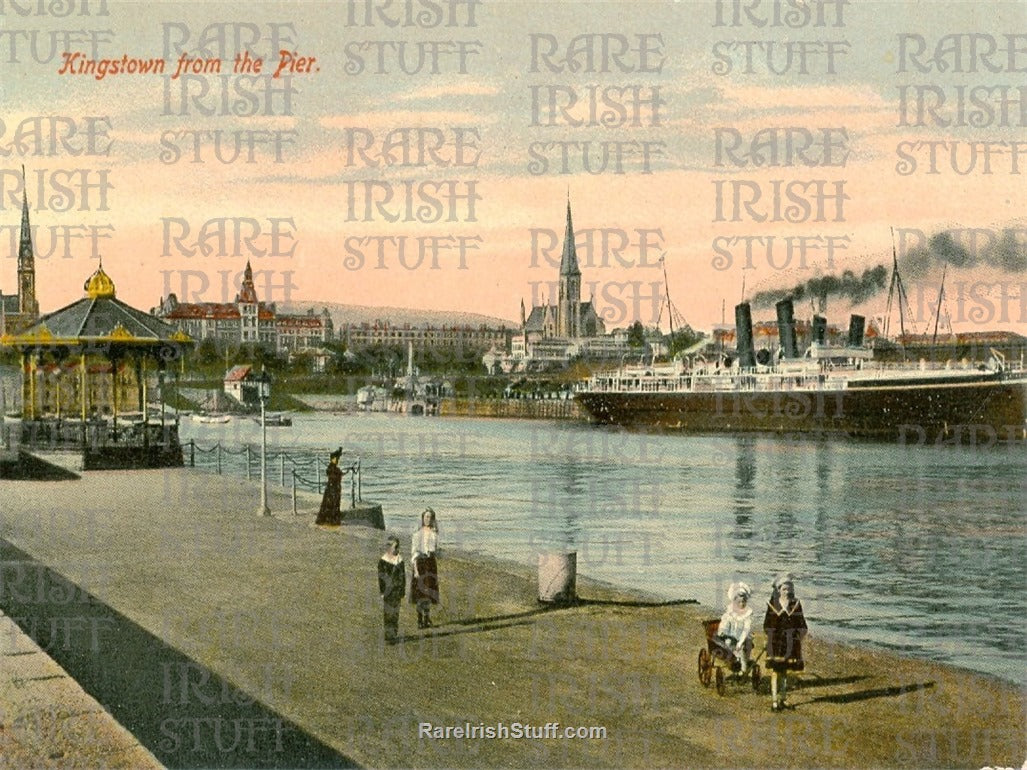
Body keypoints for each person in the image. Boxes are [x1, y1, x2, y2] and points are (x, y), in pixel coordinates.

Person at [763, 572, 807, 711]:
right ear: (778, 590)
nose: (787, 592)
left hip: (790, 644)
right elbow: (767, 625)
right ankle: (775, 701)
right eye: (784, 589)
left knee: (785, 672)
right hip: (776, 644)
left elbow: (802, 624)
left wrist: (798, 637)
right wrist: (771, 638)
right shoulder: (772, 605)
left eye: (789, 589)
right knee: (776, 672)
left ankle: (783, 698)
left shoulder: (796, 604)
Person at [410, 508, 440, 629]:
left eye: (430, 517)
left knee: (429, 593)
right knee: (420, 594)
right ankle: (419, 620)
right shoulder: (417, 534)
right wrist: (416, 570)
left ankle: (427, 619)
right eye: (426, 517)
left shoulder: (434, 533)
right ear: (422, 518)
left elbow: (435, 550)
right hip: (420, 564)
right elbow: (414, 554)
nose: (428, 519)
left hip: (431, 564)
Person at [716, 581, 754, 674]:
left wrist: (740, 641)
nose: (741, 604)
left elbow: (746, 629)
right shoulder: (729, 614)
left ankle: (743, 669)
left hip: (743, 637)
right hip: (731, 637)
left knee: (745, 646)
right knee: (729, 644)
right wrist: (723, 631)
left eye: (743, 601)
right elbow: (724, 626)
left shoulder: (747, 615)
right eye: (739, 602)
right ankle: (735, 664)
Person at [377, 535, 405, 644]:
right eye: (395, 547)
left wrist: (402, 590)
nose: (397, 549)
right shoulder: (383, 561)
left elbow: (402, 577)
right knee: (388, 612)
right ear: (389, 548)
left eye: (398, 547)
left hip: (397, 590)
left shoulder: (400, 559)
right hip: (388, 591)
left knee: (395, 612)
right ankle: (389, 635)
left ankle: (393, 633)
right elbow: (381, 578)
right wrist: (382, 591)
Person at [315, 447, 343, 525]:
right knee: (330, 504)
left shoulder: (335, 468)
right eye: (335, 459)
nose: (336, 460)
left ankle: (332, 519)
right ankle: (330, 520)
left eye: (337, 459)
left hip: (335, 489)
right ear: (332, 459)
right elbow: (332, 476)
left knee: (334, 503)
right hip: (332, 489)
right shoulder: (331, 468)